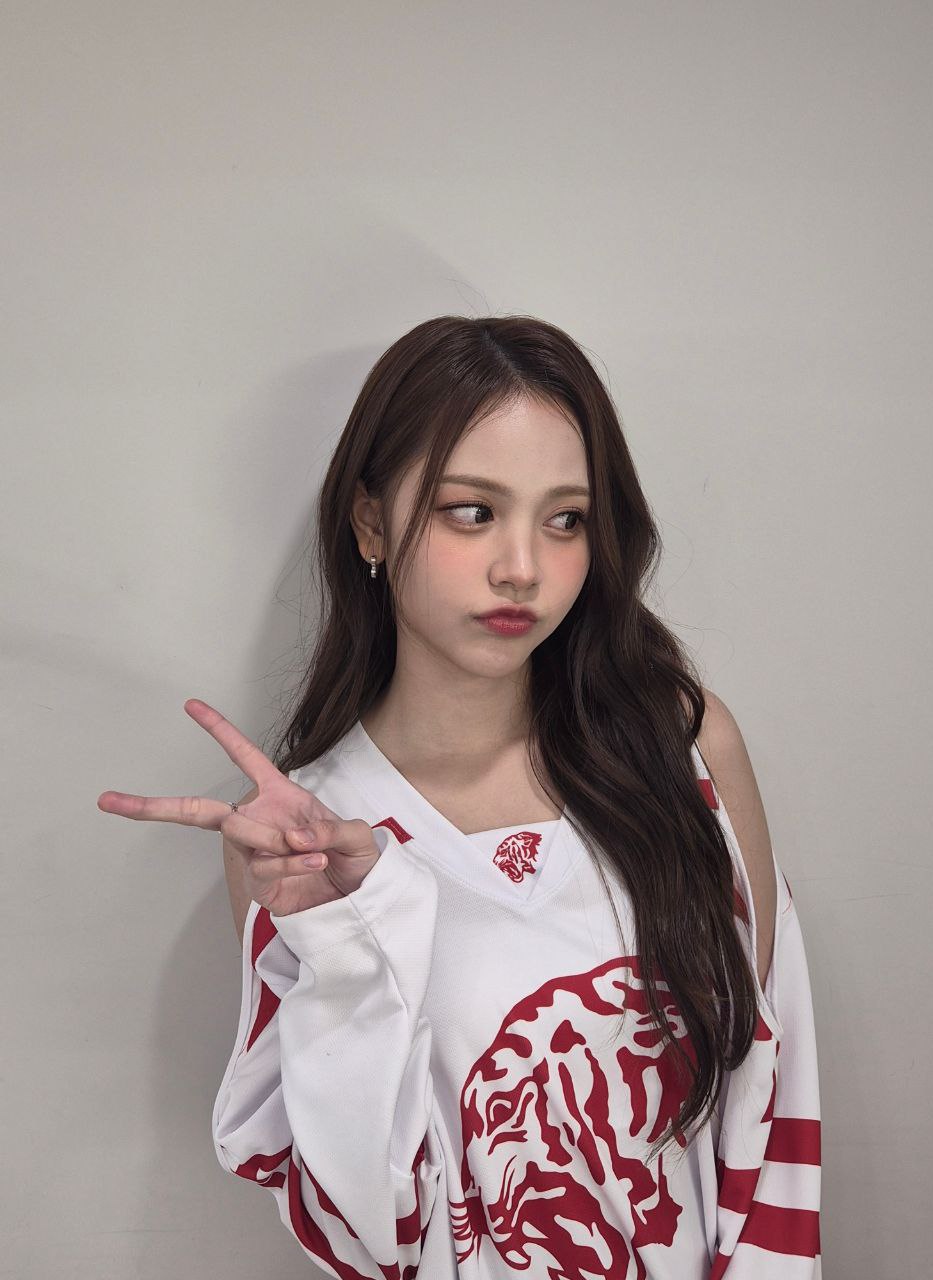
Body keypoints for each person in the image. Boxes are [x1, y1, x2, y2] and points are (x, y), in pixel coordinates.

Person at [98, 314, 822, 1278]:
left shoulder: (681, 754)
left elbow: (768, 1107)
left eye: (565, 519)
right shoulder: (306, 840)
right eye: (471, 511)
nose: (522, 567)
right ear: (370, 522)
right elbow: (371, 1230)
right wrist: (349, 943)